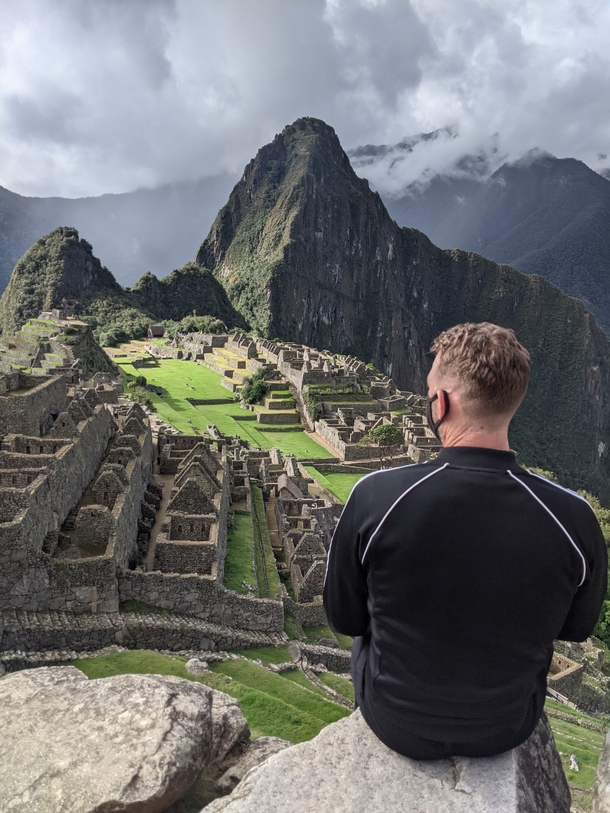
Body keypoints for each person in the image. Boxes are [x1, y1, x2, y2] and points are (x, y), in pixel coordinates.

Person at [323, 322, 607, 759]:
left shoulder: (376, 497)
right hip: (508, 724)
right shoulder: (573, 518)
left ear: (440, 403)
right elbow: (575, 628)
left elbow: (345, 619)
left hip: (395, 720)